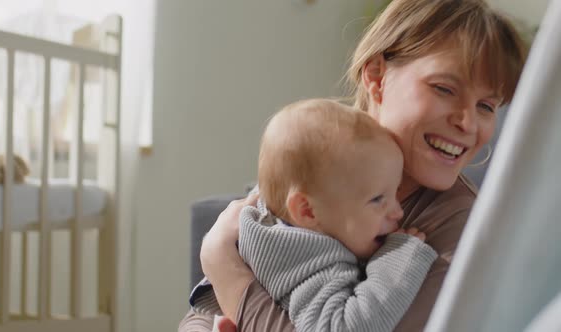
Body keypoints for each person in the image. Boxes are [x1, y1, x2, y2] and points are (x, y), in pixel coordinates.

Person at [179, 0, 527, 330]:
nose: (468, 123)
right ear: (376, 76)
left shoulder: (460, 231)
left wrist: (225, 269)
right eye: (445, 89)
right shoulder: (317, 157)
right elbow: (202, 311)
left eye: (486, 106)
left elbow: (230, 273)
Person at [189, 99, 438, 332]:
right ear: (307, 211)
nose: (398, 211)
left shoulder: (272, 219)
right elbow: (342, 326)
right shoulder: (308, 258)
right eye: (377, 200)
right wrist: (401, 258)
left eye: (395, 193)